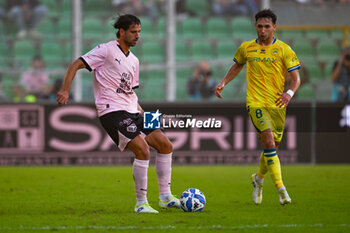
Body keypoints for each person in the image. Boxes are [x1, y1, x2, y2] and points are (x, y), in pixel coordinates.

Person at [57, 14, 180, 214]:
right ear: (122, 32)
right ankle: (141, 204)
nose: (137, 36)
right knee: (143, 150)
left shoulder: (134, 60)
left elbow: (129, 90)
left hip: (133, 109)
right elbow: (76, 64)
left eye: (139, 32)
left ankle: (166, 197)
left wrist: (142, 112)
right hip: (111, 110)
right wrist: (65, 90)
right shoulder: (105, 50)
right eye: (133, 32)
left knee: (166, 145)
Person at [215, 9, 301, 205]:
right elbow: (237, 65)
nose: (263, 30)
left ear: (274, 28)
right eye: (260, 26)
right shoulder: (246, 48)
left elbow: (296, 79)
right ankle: (282, 190)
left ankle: (259, 179)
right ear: (255, 26)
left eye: (267, 27)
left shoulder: (284, 50)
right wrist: (224, 82)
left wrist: (288, 94)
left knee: (272, 148)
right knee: (269, 142)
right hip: (255, 103)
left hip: (277, 104)